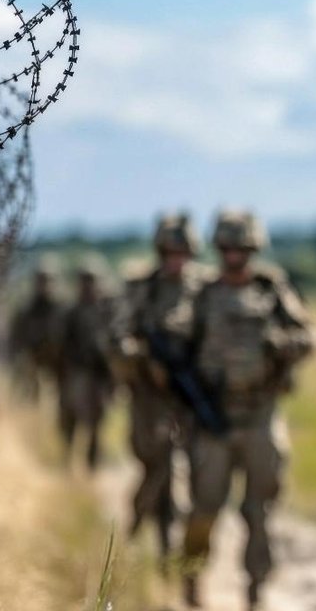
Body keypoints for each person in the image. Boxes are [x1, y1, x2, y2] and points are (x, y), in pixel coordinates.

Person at [181, 210, 316, 609]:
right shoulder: (203, 294)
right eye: (227, 248)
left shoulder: (271, 290)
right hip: (213, 420)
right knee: (204, 508)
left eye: (242, 248)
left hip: (260, 415)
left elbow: (309, 336)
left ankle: (255, 590)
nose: (234, 255)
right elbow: (179, 345)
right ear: (218, 249)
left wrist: (281, 342)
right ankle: (190, 579)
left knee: (259, 512)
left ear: (253, 249)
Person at [111, 213, 208, 562]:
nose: (175, 260)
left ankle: (173, 555)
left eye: (181, 253)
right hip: (149, 398)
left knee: (190, 478)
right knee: (158, 468)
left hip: (190, 396)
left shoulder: (203, 288)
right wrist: (141, 356)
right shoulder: (142, 288)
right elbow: (117, 336)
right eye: (168, 253)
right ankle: (137, 531)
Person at [57, 257, 117, 470]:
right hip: (78, 372)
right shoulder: (72, 312)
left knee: (98, 421)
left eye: (91, 280)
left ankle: (93, 463)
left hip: (100, 374)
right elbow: (62, 344)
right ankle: (69, 459)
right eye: (85, 280)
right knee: (72, 415)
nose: (88, 285)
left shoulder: (107, 310)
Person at [7, 261, 65, 401]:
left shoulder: (61, 309)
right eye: (41, 280)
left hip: (56, 367)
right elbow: (15, 338)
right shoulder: (26, 311)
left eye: (48, 280)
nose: (45, 285)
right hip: (32, 364)